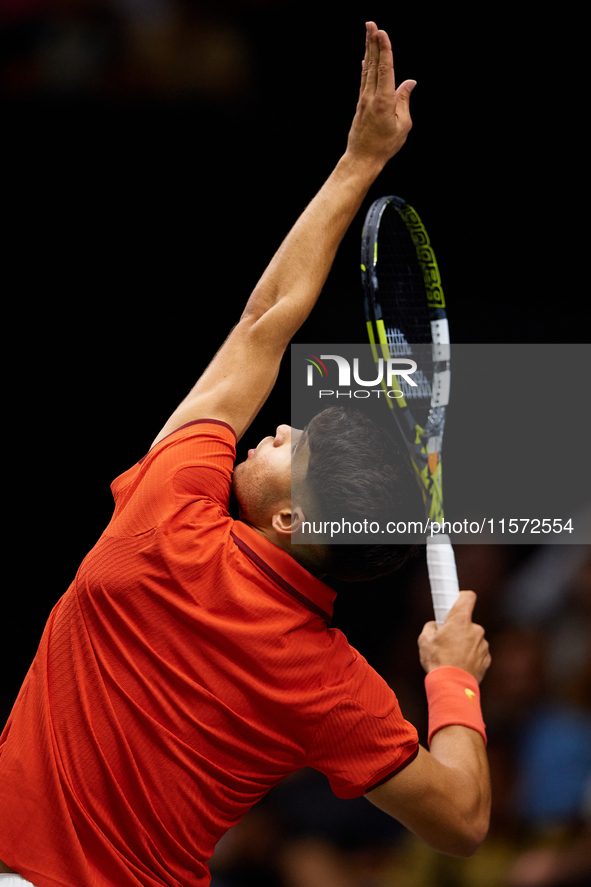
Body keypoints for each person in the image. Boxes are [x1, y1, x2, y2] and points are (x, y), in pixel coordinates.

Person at [0, 22, 491, 887]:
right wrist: (451, 679)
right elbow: (461, 817)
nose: (279, 429)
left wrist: (358, 159)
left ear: (294, 517)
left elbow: (263, 320)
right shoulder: (331, 683)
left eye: (293, 446)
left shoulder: (171, 520)